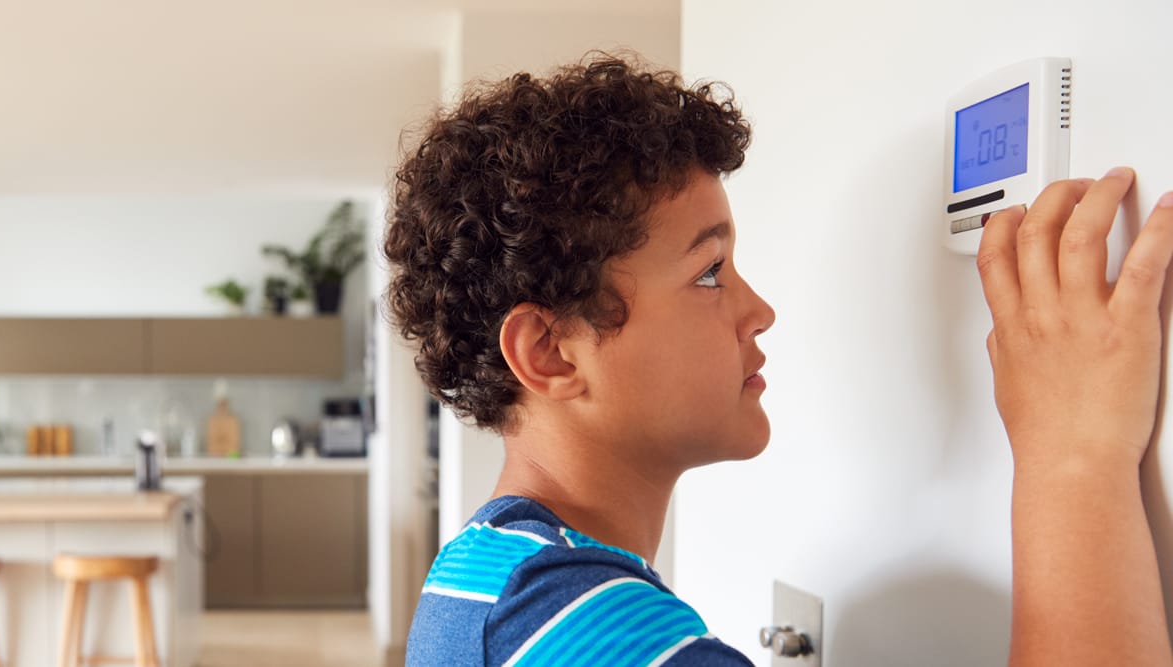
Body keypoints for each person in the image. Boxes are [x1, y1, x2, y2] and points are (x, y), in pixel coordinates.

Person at [382, 53, 1173, 666]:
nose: (757, 310)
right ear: (551, 351)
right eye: (709, 273)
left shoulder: (487, 573)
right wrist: (1072, 457)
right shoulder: (574, 622)